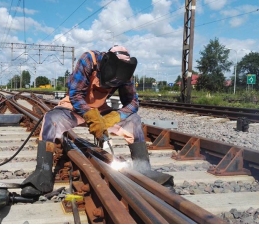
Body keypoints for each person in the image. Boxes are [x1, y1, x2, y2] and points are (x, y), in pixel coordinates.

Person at [20, 45, 173, 198]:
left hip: (101, 110)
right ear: (106, 64)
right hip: (74, 107)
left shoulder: (126, 72)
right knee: (51, 119)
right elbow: (75, 94)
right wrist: (92, 117)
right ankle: (42, 175)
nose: (111, 86)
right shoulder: (89, 60)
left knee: (134, 121)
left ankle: (143, 170)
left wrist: (114, 118)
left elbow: (132, 103)